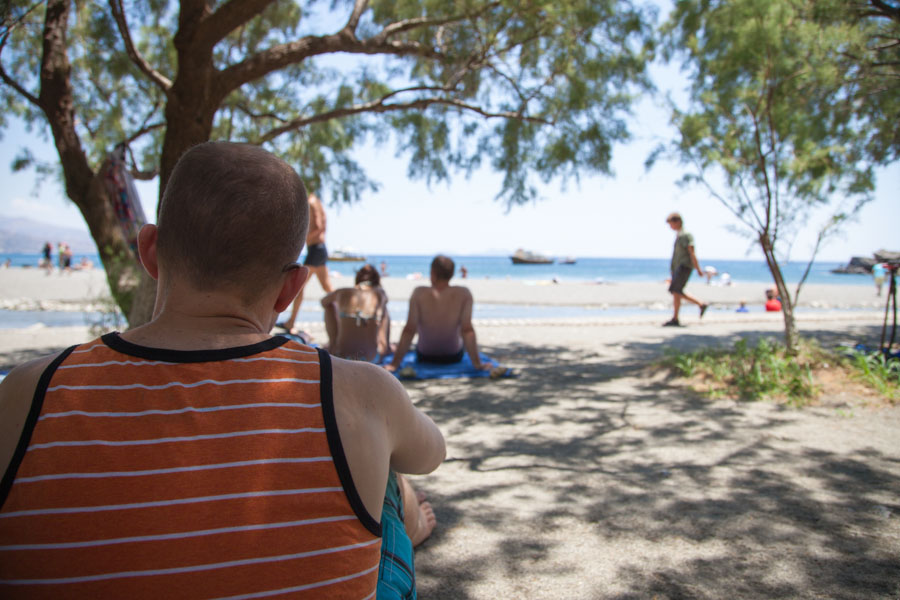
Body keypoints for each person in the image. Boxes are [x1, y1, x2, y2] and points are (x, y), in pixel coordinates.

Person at [0, 142, 446, 598]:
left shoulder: (27, 394)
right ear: (291, 288)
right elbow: (430, 454)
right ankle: (400, 535)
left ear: (150, 251)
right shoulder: (358, 392)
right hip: (371, 438)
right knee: (384, 461)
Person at [386, 255, 492, 372]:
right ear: (451, 274)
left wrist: (394, 364)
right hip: (453, 356)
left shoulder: (419, 293)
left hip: (425, 356)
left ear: (432, 272)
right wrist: (477, 364)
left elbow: (409, 330)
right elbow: (467, 330)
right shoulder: (464, 294)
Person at [279, 192, 333, 335]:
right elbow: (324, 225)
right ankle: (343, 314)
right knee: (328, 288)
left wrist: (302, 239)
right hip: (320, 249)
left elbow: (320, 227)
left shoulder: (311, 202)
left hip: (316, 250)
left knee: (299, 285)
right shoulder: (318, 202)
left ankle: (291, 321)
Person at [321, 263, 391, 362]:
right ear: (376, 280)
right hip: (371, 359)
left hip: (340, 356)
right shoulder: (380, 294)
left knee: (330, 306)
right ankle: (384, 345)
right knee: (383, 310)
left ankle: (333, 343)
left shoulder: (341, 292)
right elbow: (384, 302)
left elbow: (323, 302)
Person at [664, 212, 709, 327]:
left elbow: (691, 252)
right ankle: (676, 317)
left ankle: (700, 304)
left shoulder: (686, 235)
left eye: (671, 224)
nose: (670, 227)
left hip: (684, 266)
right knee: (676, 292)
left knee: (676, 291)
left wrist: (698, 268)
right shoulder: (679, 235)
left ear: (677, 221)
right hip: (678, 267)